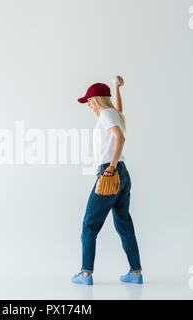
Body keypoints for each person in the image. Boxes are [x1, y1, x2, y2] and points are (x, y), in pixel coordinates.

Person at [72, 76, 143, 285]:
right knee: (124, 223)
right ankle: (136, 273)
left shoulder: (105, 115)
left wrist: (110, 168)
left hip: (110, 172)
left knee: (89, 225)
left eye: (90, 100)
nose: (89, 105)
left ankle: (85, 274)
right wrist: (117, 88)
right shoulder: (113, 113)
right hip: (123, 175)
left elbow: (120, 137)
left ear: (99, 99)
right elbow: (119, 113)